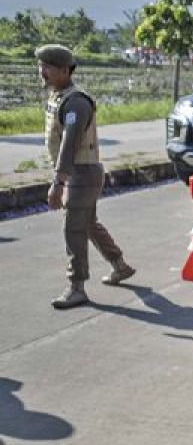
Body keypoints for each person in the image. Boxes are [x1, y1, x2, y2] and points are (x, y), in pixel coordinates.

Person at [36, 44, 134, 309]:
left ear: (64, 70)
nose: (41, 72)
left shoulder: (76, 103)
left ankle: (76, 286)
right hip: (79, 171)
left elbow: (70, 143)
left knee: (73, 227)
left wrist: (58, 182)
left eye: (47, 67)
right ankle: (120, 265)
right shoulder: (60, 96)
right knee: (88, 222)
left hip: (82, 172)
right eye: (41, 66)